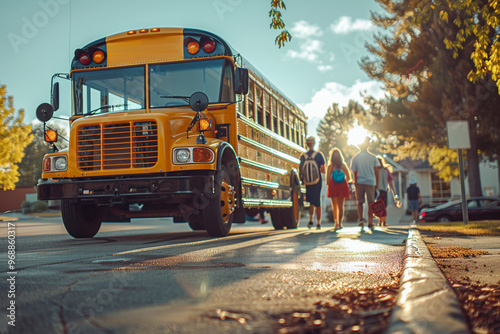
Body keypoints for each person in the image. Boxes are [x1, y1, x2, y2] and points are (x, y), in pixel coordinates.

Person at [350, 137, 380, 228]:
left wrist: (355, 185)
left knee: (360, 202)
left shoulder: (355, 158)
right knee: (371, 202)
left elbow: (355, 173)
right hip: (371, 182)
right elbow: (376, 172)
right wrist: (377, 186)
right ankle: (370, 221)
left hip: (360, 182)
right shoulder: (373, 157)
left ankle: (361, 219)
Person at [299, 136, 326, 229]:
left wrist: (302, 180)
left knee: (311, 202)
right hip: (317, 181)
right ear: (314, 143)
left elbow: (301, 171)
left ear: (307, 144)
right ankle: (318, 222)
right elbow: (323, 169)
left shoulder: (303, 156)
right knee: (317, 201)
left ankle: (311, 221)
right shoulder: (319, 155)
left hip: (308, 182)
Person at [326, 148, 351, 229]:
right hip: (342, 186)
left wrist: (331, 183)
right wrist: (342, 180)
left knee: (334, 206)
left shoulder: (330, 166)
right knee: (341, 206)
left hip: (333, 186)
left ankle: (336, 223)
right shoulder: (342, 166)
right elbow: (349, 177)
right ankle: (339, 223)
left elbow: (327, 179)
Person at [376, 156, 397, 226]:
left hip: (384, 190)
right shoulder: (374, 171)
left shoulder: (386, 171)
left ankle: (383, 221)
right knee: (378, 207)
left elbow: (390, 182)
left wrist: (394, 193)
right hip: (377, 191)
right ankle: (380, 221)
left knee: (384, 206)